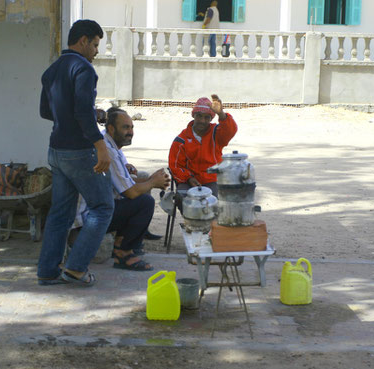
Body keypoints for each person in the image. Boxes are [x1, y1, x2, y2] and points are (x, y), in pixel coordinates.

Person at [37, 20, 113, 287]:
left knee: (61, 212)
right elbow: (81, 111)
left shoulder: (52, 70)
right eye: (94, 44)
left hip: (56, 149)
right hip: (79, 151)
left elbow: (47, 112)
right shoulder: (84, 68)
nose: (96, 51)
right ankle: (76, 269)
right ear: (82, 41)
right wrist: (100, 145)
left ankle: (47, 271)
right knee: (103, 207)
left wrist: (83, 116)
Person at [75, 108, 170, 271]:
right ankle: (123, 254)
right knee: (145, 202)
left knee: (140, 196)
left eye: (132, 128)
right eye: (126, 128)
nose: (130, 132)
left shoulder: (109, 145)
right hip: (89, 218)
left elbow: (126, 182)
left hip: (97, 211)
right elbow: (130, 191)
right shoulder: (107, 150)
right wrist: (152, 182)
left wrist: (151, 179)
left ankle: (124, 245)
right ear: (111, 128)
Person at [168, 94, 237, 198]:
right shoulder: (181, 140)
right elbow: (175, 166)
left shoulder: (216, 133)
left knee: (215, 200)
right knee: (183, 199)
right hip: (188, 181)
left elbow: (230, 130)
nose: (202, 121)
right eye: (199, 116)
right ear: (193, 115)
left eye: (206, 117)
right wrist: (189, 178)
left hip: (212, 180)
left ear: (211, 119)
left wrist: (221, 114)